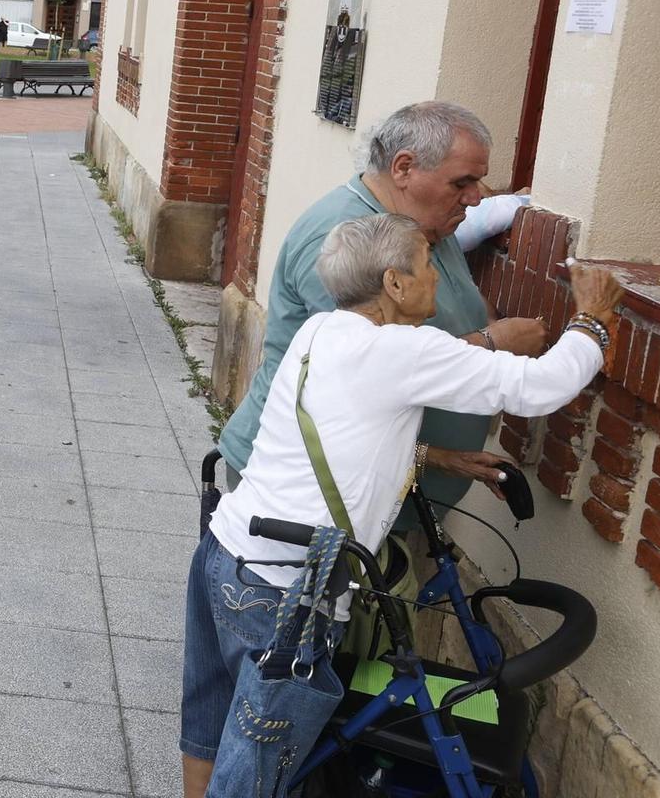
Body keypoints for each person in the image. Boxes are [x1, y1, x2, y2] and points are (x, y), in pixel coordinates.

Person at [170, 213, 621, 798]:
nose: (439, 273)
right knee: (269, 772)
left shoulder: (325, 329)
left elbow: (329, 428)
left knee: (211, 724)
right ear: (394, 282)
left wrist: (431, 454)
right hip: (283, 591)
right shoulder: (405, 351)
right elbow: (536, 386)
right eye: (428, 262)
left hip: (225, 553)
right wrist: (593, 319)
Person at [217, 102, 549, 510]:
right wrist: (492, 342)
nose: (476, 198)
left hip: (388, 488)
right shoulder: (343, 236)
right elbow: (359, 379)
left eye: (478, 182)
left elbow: (456, 294)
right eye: (461, 182)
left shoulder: (423, 225)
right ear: (404, 168)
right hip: (314, 493)